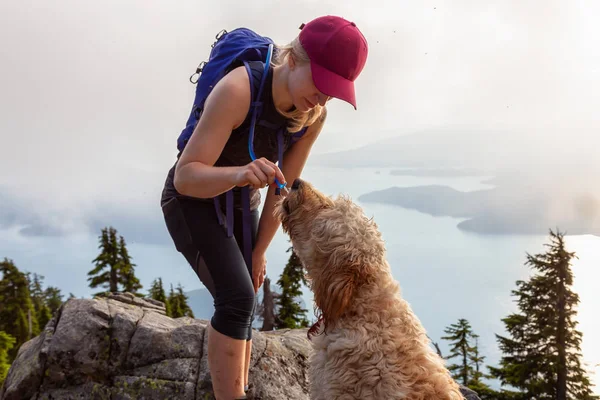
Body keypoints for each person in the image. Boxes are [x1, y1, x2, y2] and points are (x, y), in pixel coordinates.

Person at [160, 15, 368, 400]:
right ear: (293, 58)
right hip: (191, 200)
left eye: (333, 91)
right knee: (236, 297)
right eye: (321, 82)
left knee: (246, 294)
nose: (323, 98)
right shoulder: (239, 89)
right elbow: (185, 178)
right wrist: (240, 174)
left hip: (241, 201)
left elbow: (281, 192)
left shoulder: (312, 115)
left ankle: (238, 389)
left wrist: (258, 252)